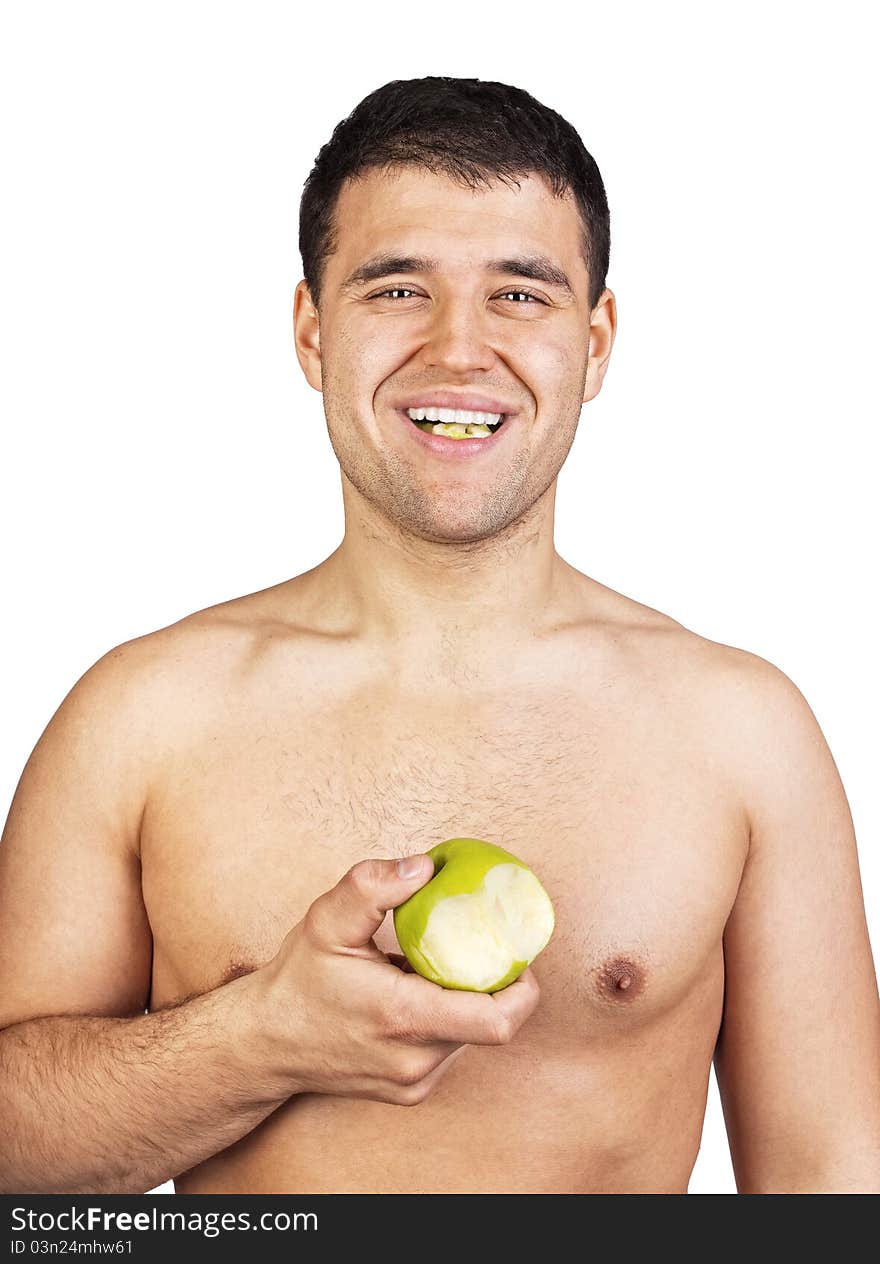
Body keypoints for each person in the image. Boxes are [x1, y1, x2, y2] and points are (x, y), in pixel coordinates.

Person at [1, 75, 878, 1197]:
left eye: (520, 295)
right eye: (398, 288)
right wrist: (257, 1035)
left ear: (595, 342)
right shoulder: (139, 716)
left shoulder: (742, 732)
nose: (460, 350)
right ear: (313, 332)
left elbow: (831, 1191)